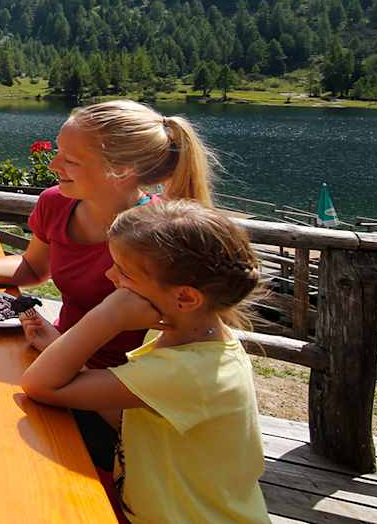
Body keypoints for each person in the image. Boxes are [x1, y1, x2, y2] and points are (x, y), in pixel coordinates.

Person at [0, 99, 216, 469]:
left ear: (120, 169)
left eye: (70, 160)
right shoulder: (55, 203)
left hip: (115, 397)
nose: (54, 165)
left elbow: (179, 349)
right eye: (58, 152)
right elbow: (32, 268)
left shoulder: (157, 236)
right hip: (51, 355)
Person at [21, 201, 269, 523]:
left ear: (186, 297)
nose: (109, 276)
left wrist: (109, 315)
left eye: (123, 272)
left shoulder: (187, 370)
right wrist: (57, 345)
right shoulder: (190, 342)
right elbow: (133, 417)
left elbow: (38, 385)